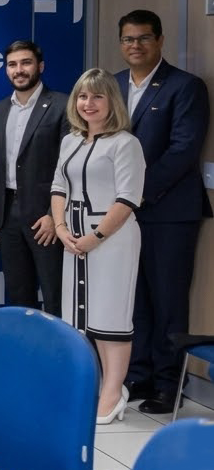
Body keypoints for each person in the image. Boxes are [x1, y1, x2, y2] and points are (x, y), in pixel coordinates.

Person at [114, 9, 212, 414]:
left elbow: (183, 151)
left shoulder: (185, 87)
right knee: (133, 298)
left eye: (143, 38)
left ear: (159, 41)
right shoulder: (114, 85)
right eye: (128, 39)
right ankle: (138, 375)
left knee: (168, 299)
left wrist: (134, 194)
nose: (135, 46)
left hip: (168, 211)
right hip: (122, 214)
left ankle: (168, 384)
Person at [51, 68, 145, 423]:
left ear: (112, 102)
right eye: (82, 96)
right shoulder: (71, 140)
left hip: (111, 241)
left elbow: (127, 198)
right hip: (73, 241)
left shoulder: (125, 143)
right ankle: (90, 386)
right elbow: (59, 187)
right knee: (79, 317)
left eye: (97, 97)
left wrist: (95, 237)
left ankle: (113, 390)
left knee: (110, 316)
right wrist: (61, 228)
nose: (88, 104)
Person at [0, 41, 68, 317]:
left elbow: (68, 165)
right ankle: (26, 354)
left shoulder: (63, 105)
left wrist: (54, 215)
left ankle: (60, 357)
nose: (19, 70)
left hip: (45, 217)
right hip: (7, 213)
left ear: (40, 67)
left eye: (25, 63)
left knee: (55, 293)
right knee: (19, 294)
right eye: (12, 64)